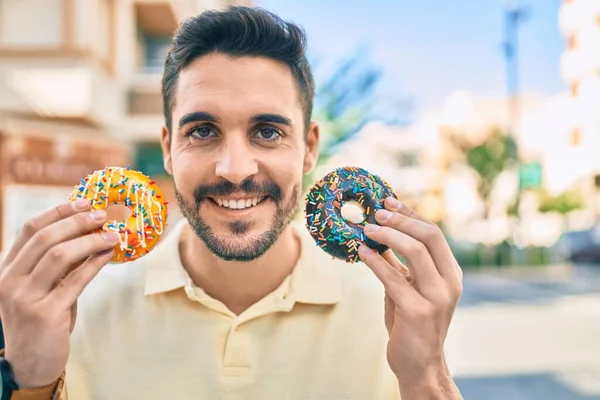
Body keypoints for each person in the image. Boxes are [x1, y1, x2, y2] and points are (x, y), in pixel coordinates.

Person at [0, 6, 464, 399]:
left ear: (308, 147)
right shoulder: (75, 310)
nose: (235, 168)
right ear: (167, 148)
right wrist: (29, 380)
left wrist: (426, 375)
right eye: (202, 131)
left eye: (267, 131)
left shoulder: (391, 315)